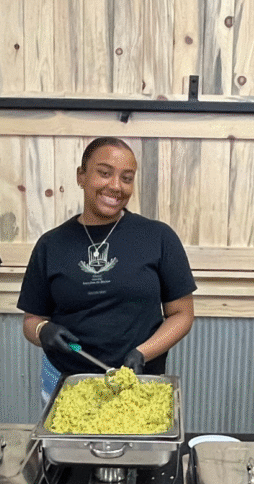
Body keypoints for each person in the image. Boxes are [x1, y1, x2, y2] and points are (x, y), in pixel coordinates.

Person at [18, 137, 196, 401]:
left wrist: (142, 353)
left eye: (126, 178)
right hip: (66, 383)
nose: (115, 186)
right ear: (81, 176)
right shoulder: (51, 245)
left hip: (139, 381)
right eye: (104, 173)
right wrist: (43, 331)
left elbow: (182, 314)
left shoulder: (157, 237)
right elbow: (31, 321)